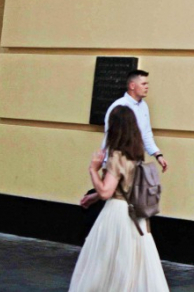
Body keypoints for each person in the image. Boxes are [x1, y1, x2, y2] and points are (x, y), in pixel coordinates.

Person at [68, 106, 169, 291]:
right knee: (131, 266)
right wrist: (94, 197)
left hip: (116, 215)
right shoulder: (135, 156)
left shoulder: (117, 156)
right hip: (136, 217)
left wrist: (93, 170)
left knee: (105, 265)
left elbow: (106, 192)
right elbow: (123, 187)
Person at [80, 69, 167, 209]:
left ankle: (95, 198)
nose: (147, 87)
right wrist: (108, 163)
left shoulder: (143, 106)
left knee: (123, 195)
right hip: (118, 159)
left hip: (133, 160)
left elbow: (146, 133)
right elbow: (111, 137)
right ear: (132, 85)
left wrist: (158, 154)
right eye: (143, 84)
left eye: (147, 84)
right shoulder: (119, 107)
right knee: (112, 195)